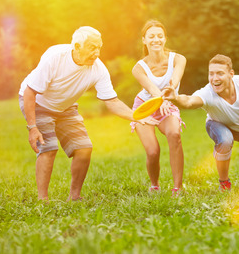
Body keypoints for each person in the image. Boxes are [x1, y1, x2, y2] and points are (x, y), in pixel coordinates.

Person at [19, 26, 158, 201]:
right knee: (48, 147)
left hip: (66, 106)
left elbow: (112, 101)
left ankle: (75, 197)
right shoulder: (55, 58)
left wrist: (137, 116)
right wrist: (32, 127)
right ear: (77, 47)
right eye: (92, 47)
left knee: (84, 148)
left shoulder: (98, 69)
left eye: (99, 47)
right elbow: (30, 92)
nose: (97, 53)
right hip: (38, 102)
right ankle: (42, 200)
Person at [163, 54, 239, 191]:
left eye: (220, 73)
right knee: (225, 139)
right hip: (217, 125)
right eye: (211, 74)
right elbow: (188, 101)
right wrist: (175, 98)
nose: (214, 78)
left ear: (231, 74)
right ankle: (224, 182)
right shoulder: (207, 93)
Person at [131, 20, 186, 197]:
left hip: (166, 105)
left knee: (175, 134)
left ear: (165, 39)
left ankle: (177, 188)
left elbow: (175, 79)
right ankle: (154, 185)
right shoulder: (138, 68)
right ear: (144, 40)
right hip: (145, 107)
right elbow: (151, 88)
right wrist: (160, 97)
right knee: (153, 151)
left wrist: (169, 91)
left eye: (160, 36)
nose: (156, 39)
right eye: (151, 36)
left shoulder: (178, 59)